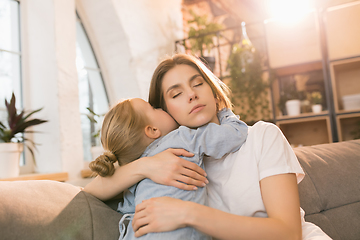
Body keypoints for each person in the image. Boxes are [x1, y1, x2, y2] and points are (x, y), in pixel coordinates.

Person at [84, 53, 331, 240]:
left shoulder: (262, 136)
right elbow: (91, 192)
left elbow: (288, 233)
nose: (191, 94)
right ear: (165, 112)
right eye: (176, 94)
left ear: (214, 93)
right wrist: (146, 166)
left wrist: (187, 213)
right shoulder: (170, 162)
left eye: (198, 83)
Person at [89, 97, 248, 239]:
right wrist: (223, 112)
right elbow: (235, 134)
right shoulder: (183, 137)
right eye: (154, 108)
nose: (161, 109)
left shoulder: (129, 177)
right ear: (152, 130)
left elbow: (127, 212)